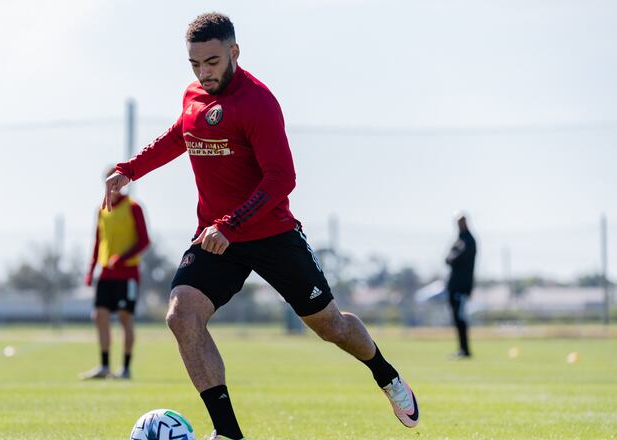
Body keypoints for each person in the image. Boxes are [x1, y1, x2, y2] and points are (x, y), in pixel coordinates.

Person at [103, 13, 419, 439]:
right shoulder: (193, 95)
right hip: (217, 239)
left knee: (332, 327)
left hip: (270, 235)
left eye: (212, 61)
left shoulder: (258, 103)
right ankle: (228, 433)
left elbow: (281, 179)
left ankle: (387, 376)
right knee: (181, 314)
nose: (204, 72)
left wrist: (231, 225)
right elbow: (181, 135)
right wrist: (130, 170)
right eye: (195, 64)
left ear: (234, 52)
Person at [79, 168, 150, 380]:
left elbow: (144, 241)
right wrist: (91, 270)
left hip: (128, 275)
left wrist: (122, 258)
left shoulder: (134, 207)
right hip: (106, 276)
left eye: (117, 182)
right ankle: (104, 366)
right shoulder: (102, 210)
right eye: (110, 182)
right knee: (99, 316)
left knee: (124, 317)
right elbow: (97, 241)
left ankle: (125, 368)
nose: (114, 186)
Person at [445, 211, 477, 358]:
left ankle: (465, 350)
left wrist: (453, 255)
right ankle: (462, 349)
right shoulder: (460, 240)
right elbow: (447, 259)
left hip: (462, 287)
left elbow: (454, 259)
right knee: (457, 318)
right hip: (454, 286)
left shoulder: (468, 241)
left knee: (461, 317)